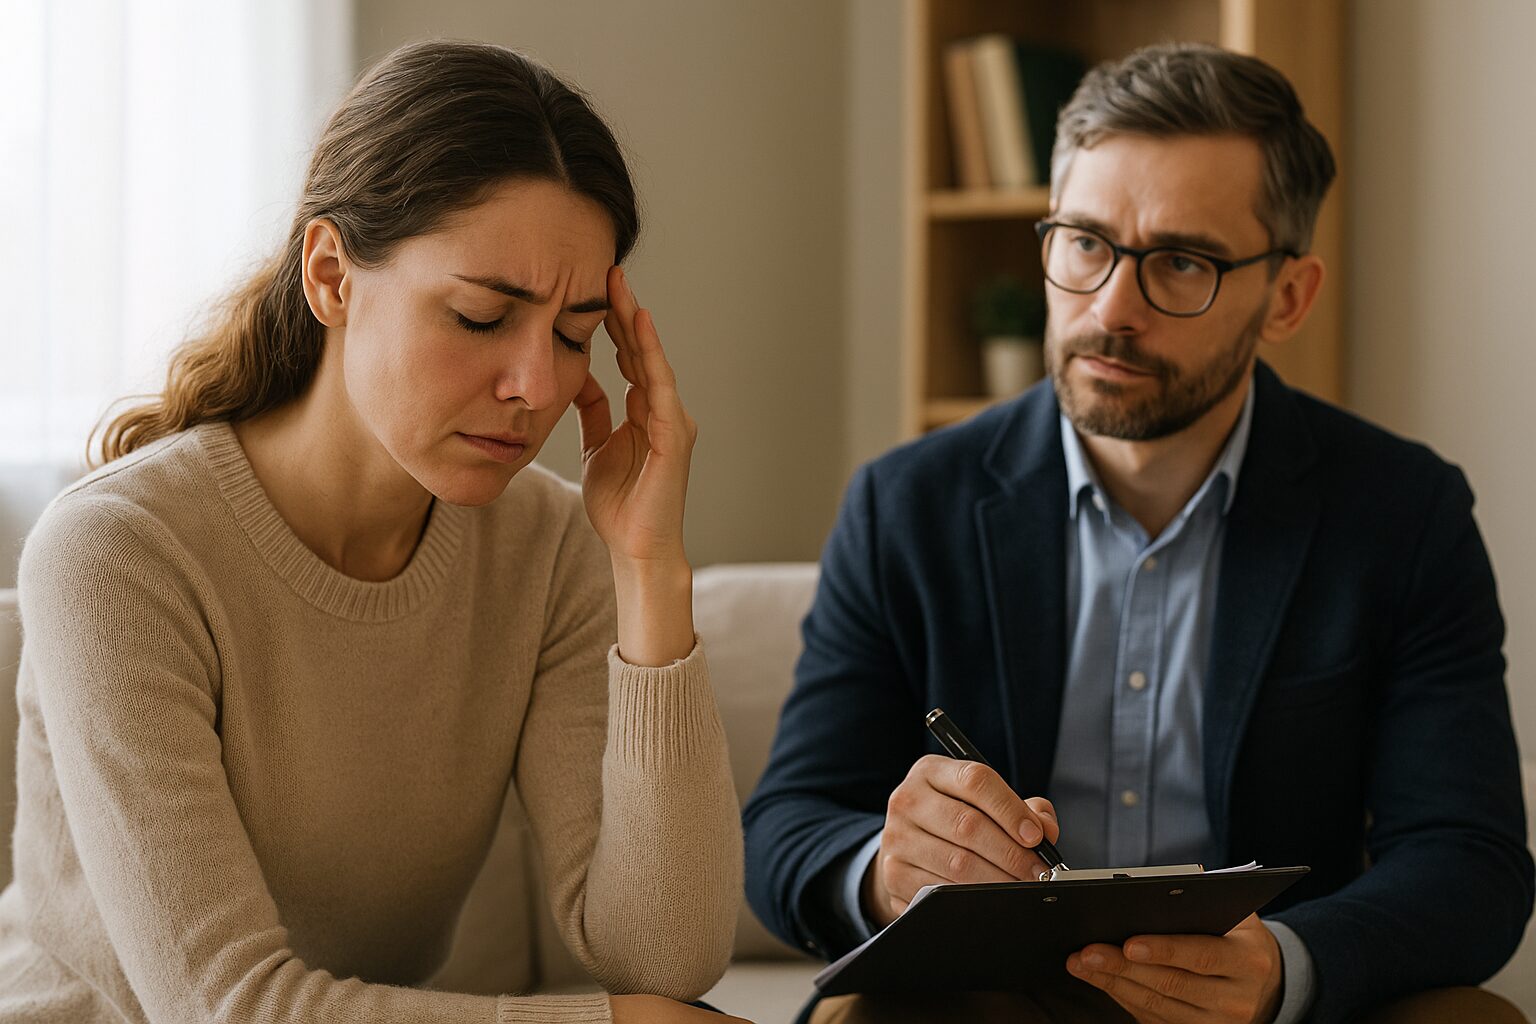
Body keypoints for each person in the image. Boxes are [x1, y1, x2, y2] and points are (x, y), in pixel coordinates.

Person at [744, 42, 1532, 1024]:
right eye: (1084, 242)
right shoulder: (907, 503)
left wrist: (1286, 965)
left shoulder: (1403, 513)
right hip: (989, 1000)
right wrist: (885, 871)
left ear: (1286, 296)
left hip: (1255, 1005)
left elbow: (1472, 858)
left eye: (1181, 263)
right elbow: (785, 827)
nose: (1112, 309)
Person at [0, 41, 748, 1024]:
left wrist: (649, 572)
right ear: (331, 277)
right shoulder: (116, 552)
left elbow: (664, 957)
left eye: (573, 334)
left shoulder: (549, 548)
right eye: (483, 316)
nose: (537, 386)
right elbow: (224, 1005)